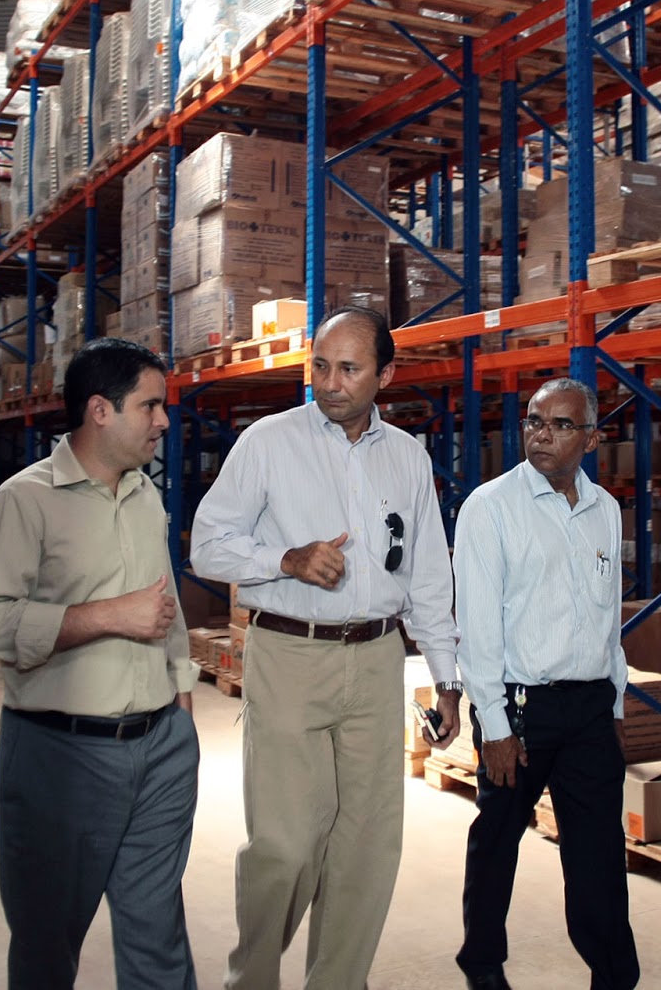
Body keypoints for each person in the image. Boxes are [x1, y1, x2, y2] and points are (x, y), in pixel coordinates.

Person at [189, 305, 462, 990]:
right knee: (284, 846)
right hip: (290, 657)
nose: (330, 383)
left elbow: (429, 576)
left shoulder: (406, 456)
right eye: (320, 366)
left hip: (377, 660)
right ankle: (251, 979)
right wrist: (284, 559)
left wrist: (448, 680)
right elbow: (207, 544)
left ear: (386, 375)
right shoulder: (268, 442)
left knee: (367, 846)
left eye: (348, 368)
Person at [0, 337, 200, 990]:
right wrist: (107, 616)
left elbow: (166, 604)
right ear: (100, 410)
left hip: (161, 748)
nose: (163, 420)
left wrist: (181, 695)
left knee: (158, 938)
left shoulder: (145, 494)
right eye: (150, 406)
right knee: (47, 944)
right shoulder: (24, 501)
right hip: (60, 754)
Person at [452, 377, 641, 990]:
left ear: (591, 438)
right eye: (534, 421)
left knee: (598, 852)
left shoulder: (604, 510)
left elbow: (608, 620)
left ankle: (614, 974)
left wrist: (615, 704)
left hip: (590, 709)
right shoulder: (490, 507)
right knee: (498, 839)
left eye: (561, 425)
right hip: (520, 709)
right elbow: (478, 627)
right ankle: (482, 961)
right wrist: (494, 726)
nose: (541, 435)